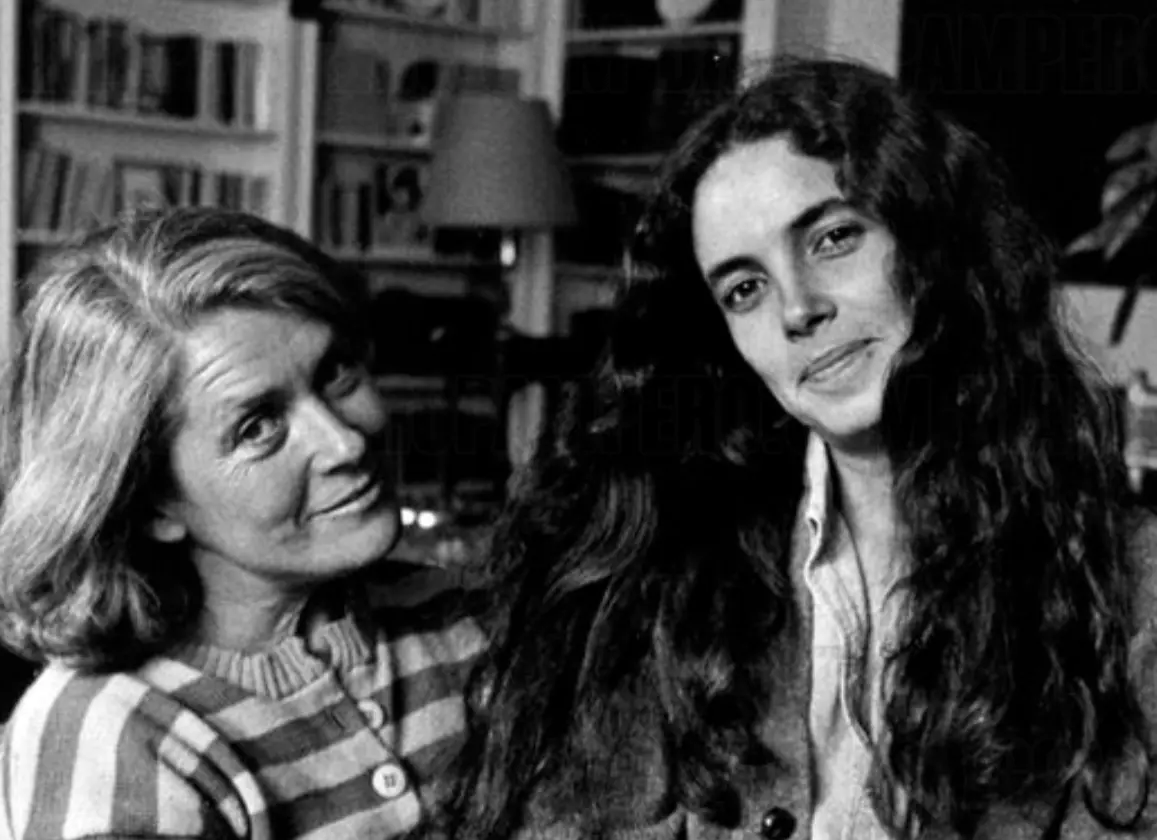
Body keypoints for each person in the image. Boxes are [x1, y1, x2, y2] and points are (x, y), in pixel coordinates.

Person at [438, 58, 1157, 840]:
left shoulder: (1130, 583)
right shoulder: (660, 575)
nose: (797, 309)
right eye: (743, 289)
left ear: (929, 240)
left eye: (832, 238)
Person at [0, 207, 486, 840]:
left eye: (335, 373)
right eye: (257, 427)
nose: (344, 442)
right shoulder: (108, 732)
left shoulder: (461, 618)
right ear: (151, 502)